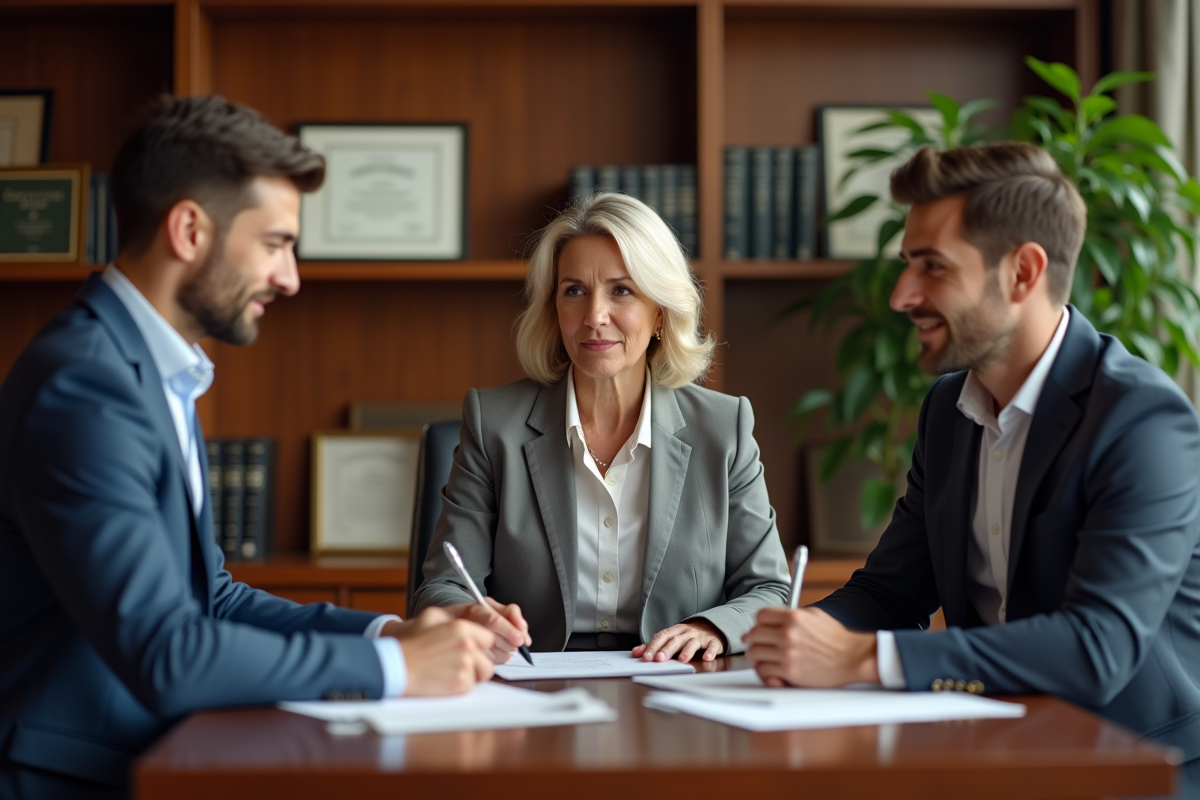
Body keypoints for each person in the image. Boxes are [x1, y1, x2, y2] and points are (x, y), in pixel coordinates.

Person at [0, 95, 515, 800]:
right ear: (189, 230)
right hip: (74, 777)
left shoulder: (153, 371)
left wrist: (392, 635)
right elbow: (168, 652)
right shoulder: (86, 386)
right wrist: (399, 672)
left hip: (153, 754)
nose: (290, 277)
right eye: (275, 243)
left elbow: (206, 597)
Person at [744, 142, 1200, 784]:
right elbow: (892, 589)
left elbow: (1099, 648)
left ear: (1022, 273)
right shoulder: (947, 410)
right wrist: (805, 633)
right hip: (990, 748)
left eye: (932, 267)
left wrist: (861, 658)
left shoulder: (1142, 420)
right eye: (907, 265)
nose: (902, 295)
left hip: (1131, 764)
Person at [411, 192, 791, 662]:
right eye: (574, 291)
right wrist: (475, 618)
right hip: (536, 681)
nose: (594, 316)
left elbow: (770, 587)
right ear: (554, 309)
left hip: (676, 681)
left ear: (660, 312)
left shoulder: (723, 427)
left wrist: (711, 627)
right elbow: (444, 587)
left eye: (621, 290)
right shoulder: (495, 424)